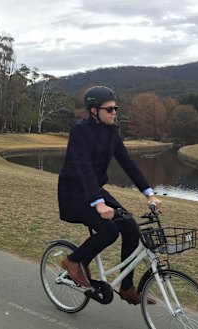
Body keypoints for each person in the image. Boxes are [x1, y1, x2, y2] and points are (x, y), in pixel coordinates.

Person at [58, 85, 162, 305]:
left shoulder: (112, 132)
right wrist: (99, 204)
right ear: (94, 111)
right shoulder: (80, 131)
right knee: (110, 230)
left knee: (131, 226)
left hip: (94, 188)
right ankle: (73, 261)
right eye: (109, 109)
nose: (114, 112)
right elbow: (83, 167)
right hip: (74, 193)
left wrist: (149, 193)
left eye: (116, 108)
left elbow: (127, 163)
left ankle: (127, 287)